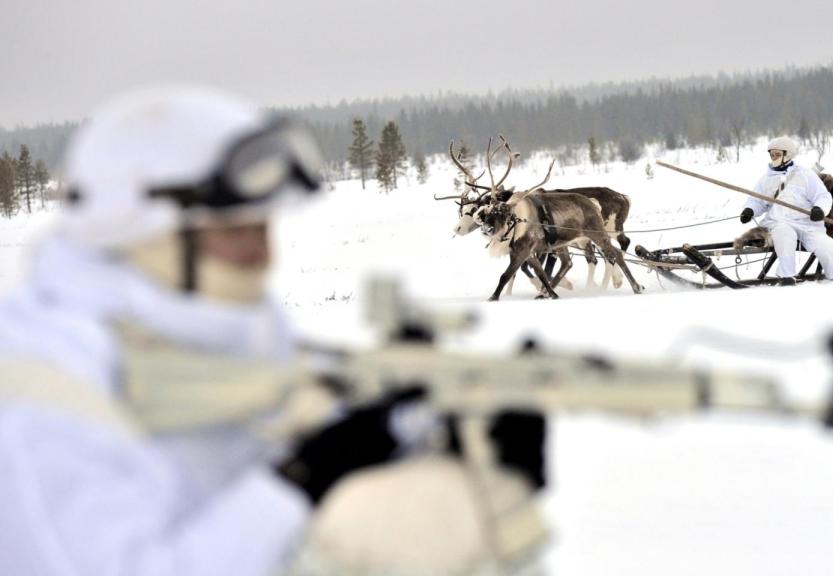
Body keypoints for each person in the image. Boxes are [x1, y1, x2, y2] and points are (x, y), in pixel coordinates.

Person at [0, 86, 484, 575]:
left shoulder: (223, 332)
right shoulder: (38, 395)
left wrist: (419, 432)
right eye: (234, 232)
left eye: (263, 227)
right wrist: (299, 481)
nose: (264, 256)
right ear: (140, 229)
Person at [739, 136, 833, 285]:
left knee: (824, 245)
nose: (773, 157)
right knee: (784, 236)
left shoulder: (805, 174)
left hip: (807, 222)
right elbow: (756, 201)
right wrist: (749, 210)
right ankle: (787, 276)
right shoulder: (766, 179)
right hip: (778, 222)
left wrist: (819, 210)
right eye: (772, 154)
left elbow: (822, 196)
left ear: (787, 154)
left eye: (777, 154)